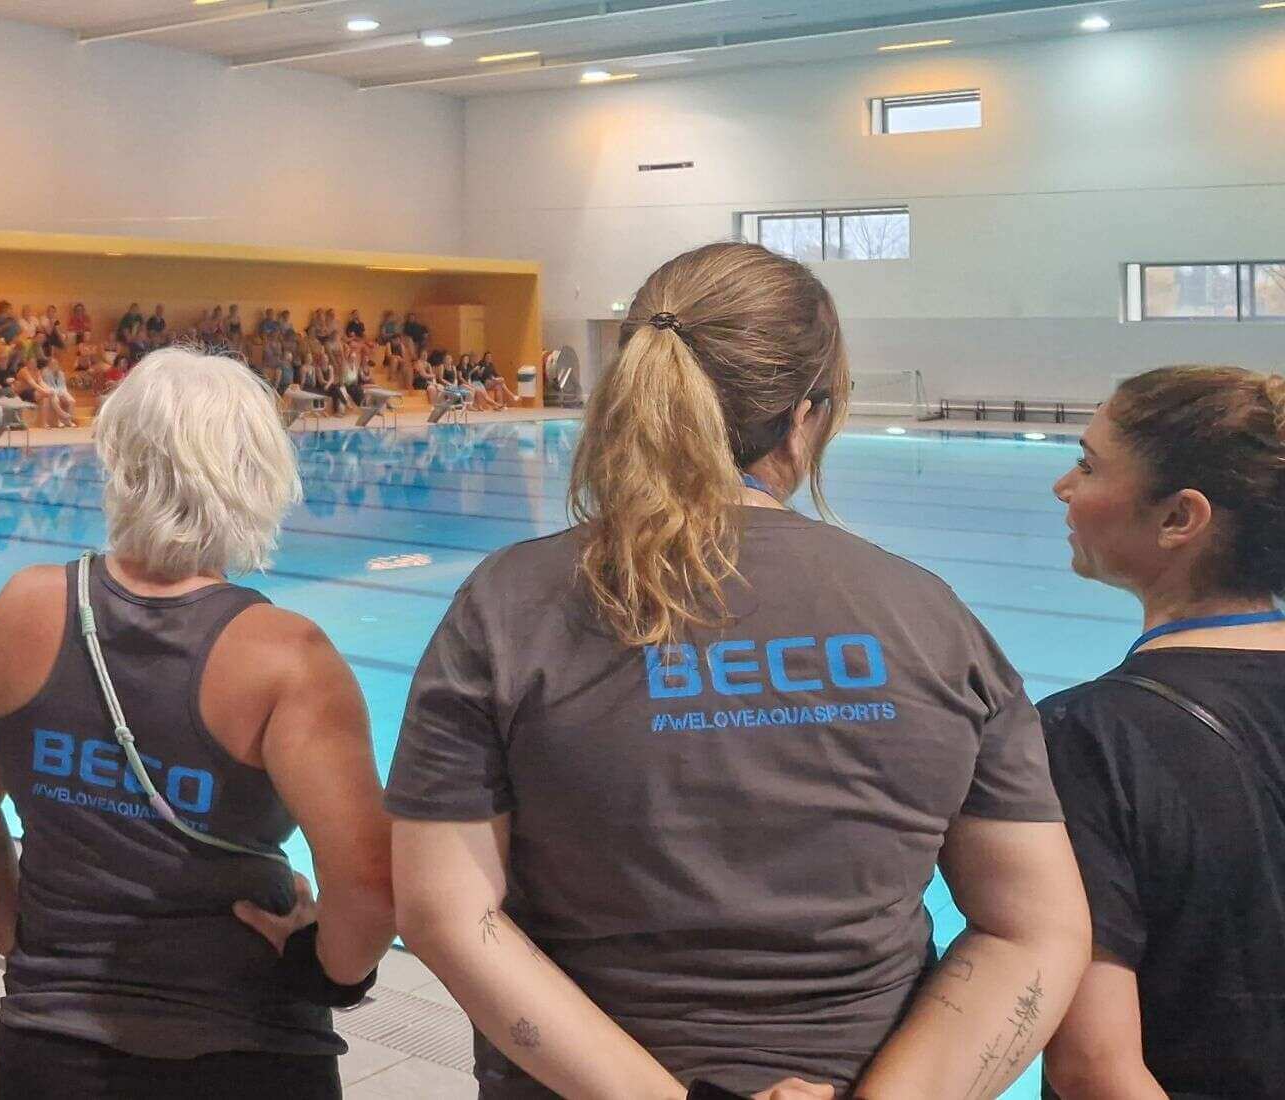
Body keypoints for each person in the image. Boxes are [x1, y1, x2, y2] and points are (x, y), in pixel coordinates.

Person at [385, 242, 1091, 1098]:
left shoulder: (507, 607)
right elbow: (1035, 932)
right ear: (807, 414)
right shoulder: (927, 615)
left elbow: (447, 912)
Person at [0, 348, 394, 1099]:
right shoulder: (287, 659)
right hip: (247, 1047)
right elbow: (372, 887)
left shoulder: (21, 612)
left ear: (118, 461)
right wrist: (324, 973)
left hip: (51, 1050)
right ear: (255, 475)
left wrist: (36, 954)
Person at [1036, 365, 1285, 1099]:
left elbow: (1095, 1071)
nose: (1063, 486)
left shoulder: (1090, 735)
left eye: (1087, 464)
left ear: (1180, 518)